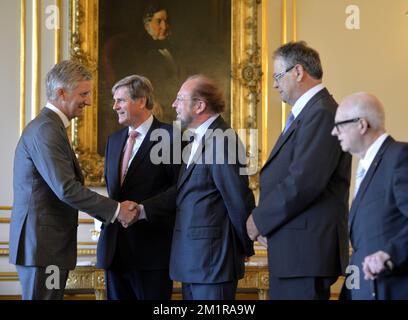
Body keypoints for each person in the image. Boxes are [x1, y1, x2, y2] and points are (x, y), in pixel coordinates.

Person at [9, 60, 138, 300]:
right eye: (84, 94)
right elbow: (66, 189)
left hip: (45, 248)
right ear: (61, 93)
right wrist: (117, 210)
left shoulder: (52, 127)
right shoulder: (46, 129)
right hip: (42, 249)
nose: (88, 101)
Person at [246, 41, 351, 300]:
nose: (274, 85)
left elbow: (303, 182)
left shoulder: (322, 112)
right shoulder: (310, 112)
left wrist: (258, 220)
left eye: (277, 76)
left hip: (306, 253)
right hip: (296, 251)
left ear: (298, 71)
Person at [139, 75, 255, 300]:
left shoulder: (223, 140)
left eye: (180, 99)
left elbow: (238, 200)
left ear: (200, 105)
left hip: (213, 264)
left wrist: (244, 246)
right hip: (195, 262)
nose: (174, 104)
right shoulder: (196, 140)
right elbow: (184, 192)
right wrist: (142, 209)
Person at [96, 75, 180, 300]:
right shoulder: (113, 140)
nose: (115, 106)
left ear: (141, 101)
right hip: (114, 251)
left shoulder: (172, 137)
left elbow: (179, 190)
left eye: (120, 100)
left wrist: (142, 210)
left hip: (152, 252)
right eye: (115, 101)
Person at [332, 92, 408, 300]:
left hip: (391, 289)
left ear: (362, 125)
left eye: (339, 125)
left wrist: (390, 254)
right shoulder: (366, 167)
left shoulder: (399, 157)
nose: (333, 132)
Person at [101, 0, 179, 122]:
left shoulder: (169, 49)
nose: (164, 26)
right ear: (146, 24)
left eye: (166, 21)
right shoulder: (136, 52)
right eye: (159, 21)